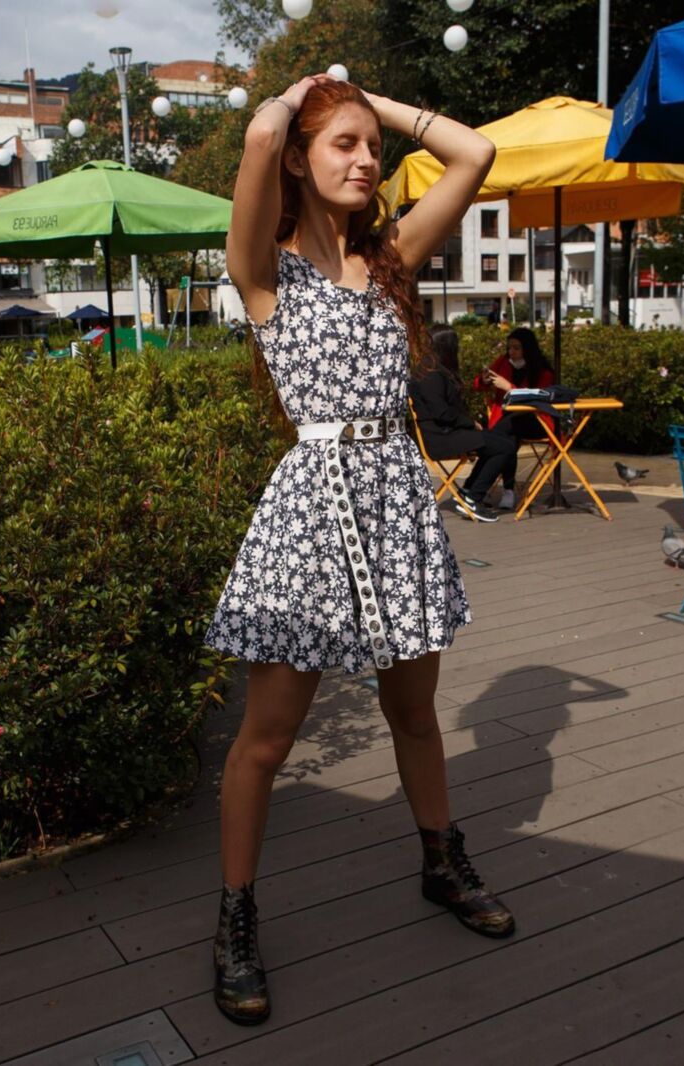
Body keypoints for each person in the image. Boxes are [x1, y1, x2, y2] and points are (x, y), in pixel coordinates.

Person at [205, 74, 511, 1026]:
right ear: (302, 157)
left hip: (393, 507)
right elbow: (257, 142)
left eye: (371, 146)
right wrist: (300, 96)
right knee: (266, 739)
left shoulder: (391, 261)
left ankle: (439, 861)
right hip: (311, 514)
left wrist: (376, 103)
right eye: (343, 144)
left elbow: (475, 154)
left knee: (415, 712)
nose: (367, 159)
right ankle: (236, 919)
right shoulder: (263, 272)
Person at [409, 325, 516, 521]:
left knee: (501, 441)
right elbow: (441, 412)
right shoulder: (430, 374)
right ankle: (473, 497)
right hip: (441, 438)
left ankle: (468, 492)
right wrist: (470, 424)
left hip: (448, 432)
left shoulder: (431, 369)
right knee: (504, 447)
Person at [474, 326, 556, 510]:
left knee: (500, 436)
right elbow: (478, 384)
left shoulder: (542, 371)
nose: (512, 352)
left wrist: (509, 387)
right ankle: (506, 490)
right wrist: (485, 380)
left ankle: (480, 488)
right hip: (506, 420)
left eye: (516, 348)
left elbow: (537, 399)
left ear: (527, 349)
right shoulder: (503, 362)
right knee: (507, 439)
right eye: (509, 347)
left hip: (535, 420)